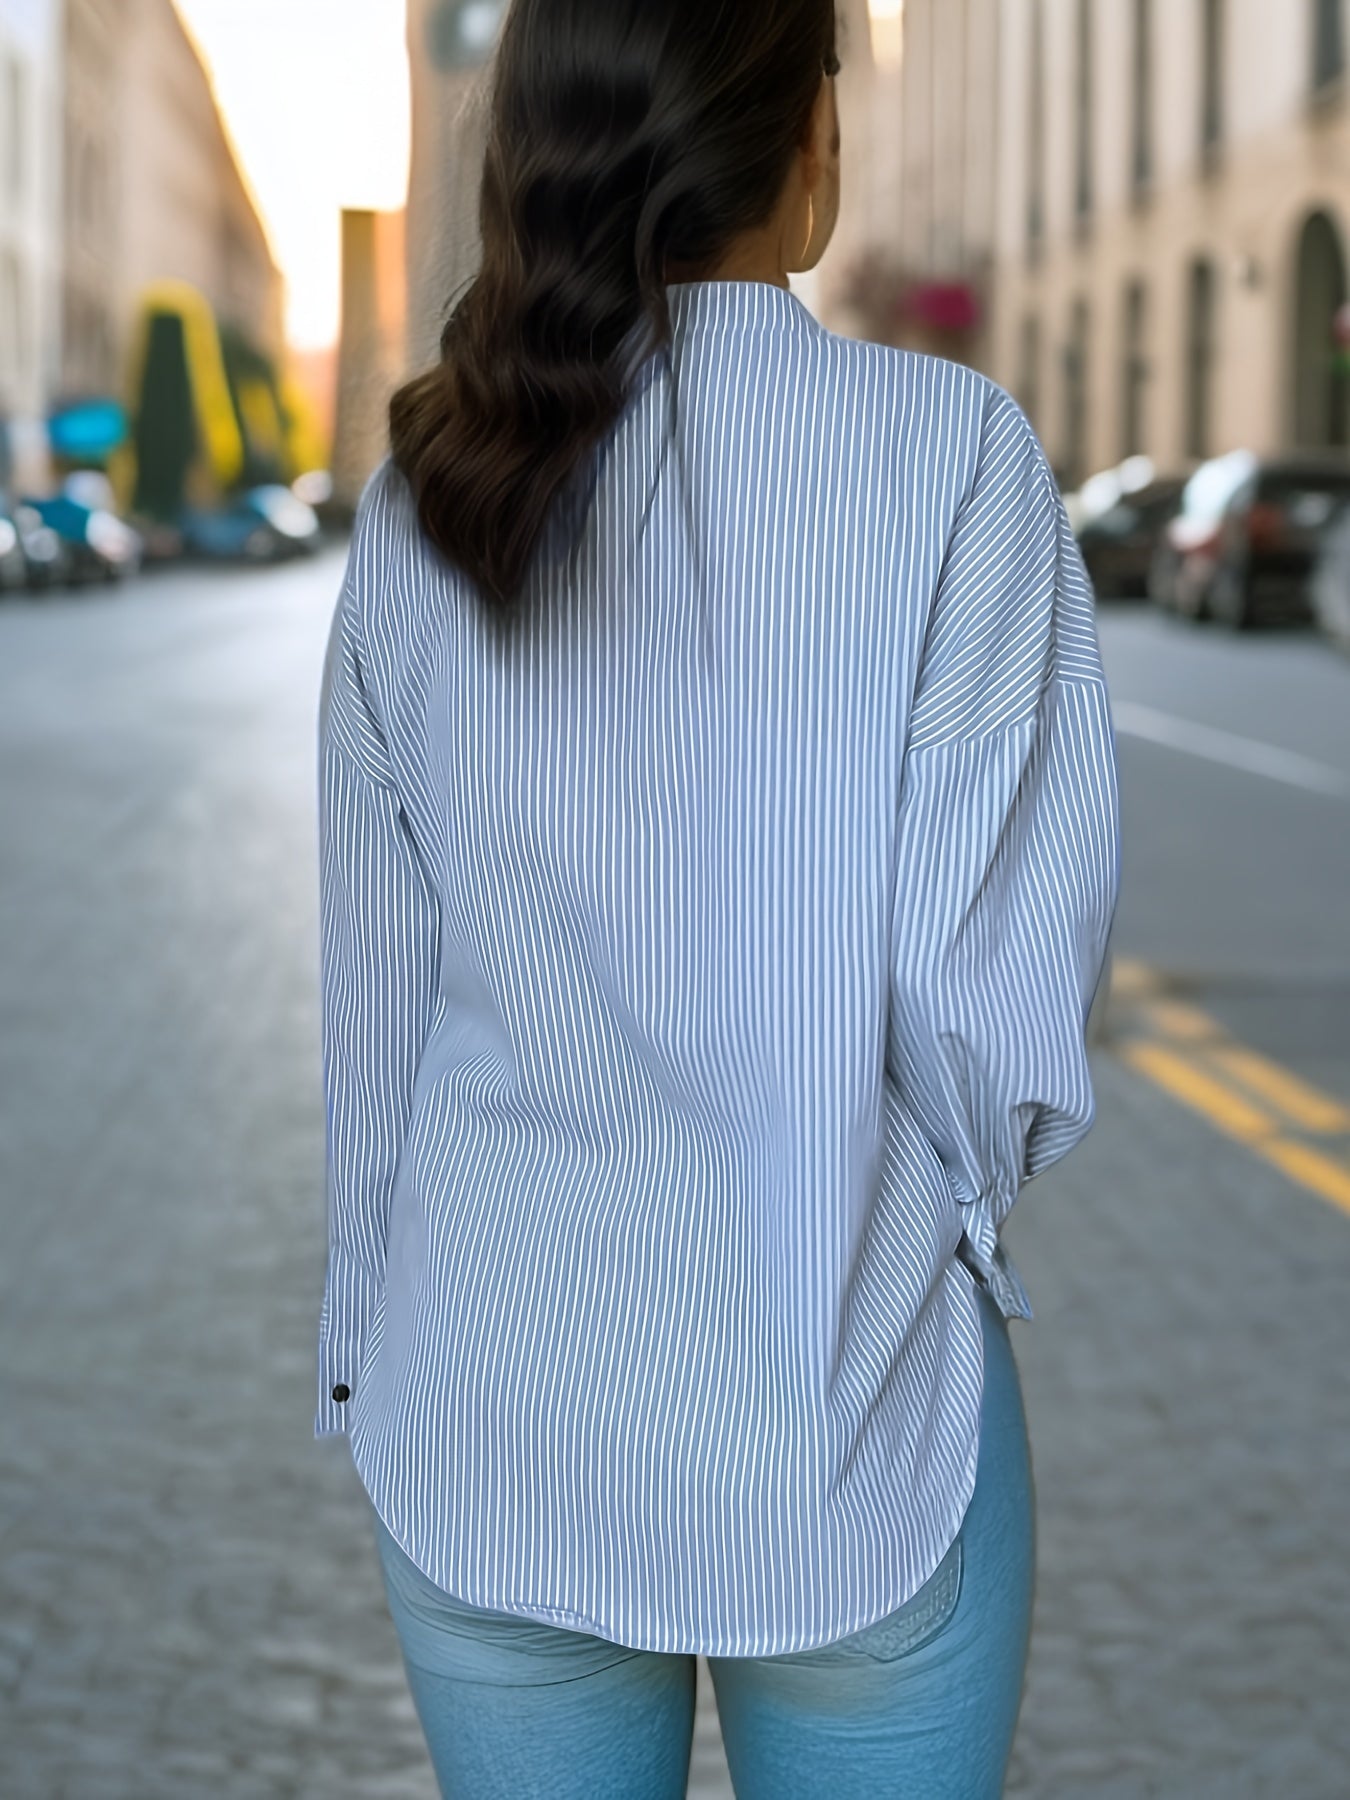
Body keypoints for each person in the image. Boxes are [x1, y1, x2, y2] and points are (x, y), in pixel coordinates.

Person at [312, 1, 1121, 1793]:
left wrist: (368, 1350)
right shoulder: (950, 459)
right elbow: (987, 1027)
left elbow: (374, 1008)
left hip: (488, 1405)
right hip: (843, 1414)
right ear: (805, 146)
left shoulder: (425, 491)